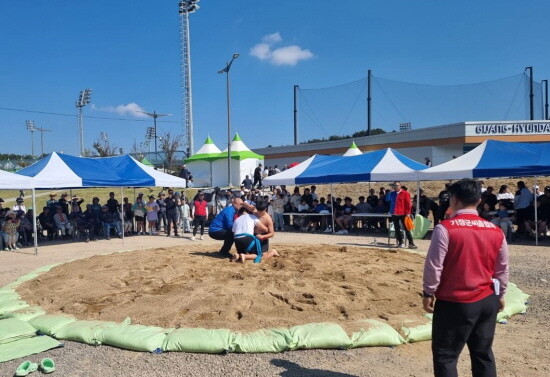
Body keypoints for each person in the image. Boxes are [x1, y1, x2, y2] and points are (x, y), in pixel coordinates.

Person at [423, 178, 509, 377]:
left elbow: (434, 265)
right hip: (487, 300)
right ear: (479, 200)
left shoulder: (445, 228)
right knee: (483, 353)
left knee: (446, 356)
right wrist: (501, 293)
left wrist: (428, 292)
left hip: (455, 301)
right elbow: (502, 267)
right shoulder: (495, 230)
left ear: (453, 199)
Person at [391, 182, 417, 249]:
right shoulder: (392, 193)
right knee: (397, 229)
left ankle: (411, 243)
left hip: (403, 213)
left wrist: (408, 213)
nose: (396, 187)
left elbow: (408, 204)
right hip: (394, 213)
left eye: (397, 185)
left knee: (407, 228)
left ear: (400, 186)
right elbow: (389, 201)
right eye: (394, 185)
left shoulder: (405, 193)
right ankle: (400, 242)